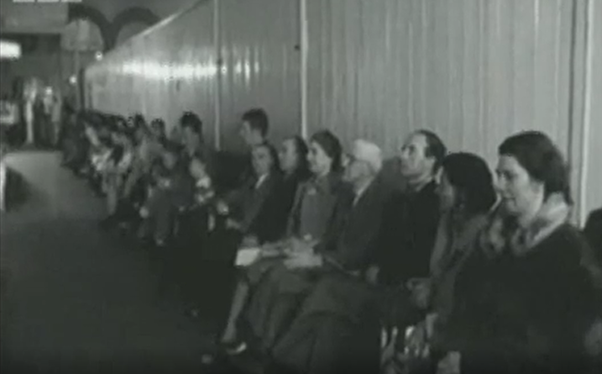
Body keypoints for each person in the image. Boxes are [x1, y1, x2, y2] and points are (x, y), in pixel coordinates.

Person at [444, 131, 601, 374]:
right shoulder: (495, 239)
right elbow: (466, 298)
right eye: (498, 175)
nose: (499, 185)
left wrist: (467, 362)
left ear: (539, 181)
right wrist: (455, 349)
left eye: (510, 176)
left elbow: (548, 347)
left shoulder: (568, 251)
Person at [268, 139, 397, 374]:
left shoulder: (380, 201)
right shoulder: (348, 196)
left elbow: (360, 252)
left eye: (352, 159)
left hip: (352, 272)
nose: (344, 162)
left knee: (318, 295)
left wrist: (318, 260)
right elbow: (330, 237)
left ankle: (278, 358)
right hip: (335, 263)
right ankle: (274, 354)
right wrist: (312, 250)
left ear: (367, 168)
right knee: (285, 274)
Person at [218, 131, 346, 354]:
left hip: (313, 256)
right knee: (253, 263)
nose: (309, 158)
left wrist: (309, 247)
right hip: (291, 247)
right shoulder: (304, 187)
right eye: (309, 153)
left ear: (330, 157)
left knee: (270, 276)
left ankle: (258, 340)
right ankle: (242, 333)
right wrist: (279, 246)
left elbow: (336, 235)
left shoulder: (340, 192)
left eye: (315, 153)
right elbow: (291, 225)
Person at [381, 153, 498, 374]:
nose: (436, 191)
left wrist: (428, 323)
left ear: (462, 192)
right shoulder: (447, 221)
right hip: (433, 312)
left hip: (456, 326)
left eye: (443, 185)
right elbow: (440, 271)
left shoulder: (483, 234)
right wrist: (427, 284)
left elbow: (465, 293)